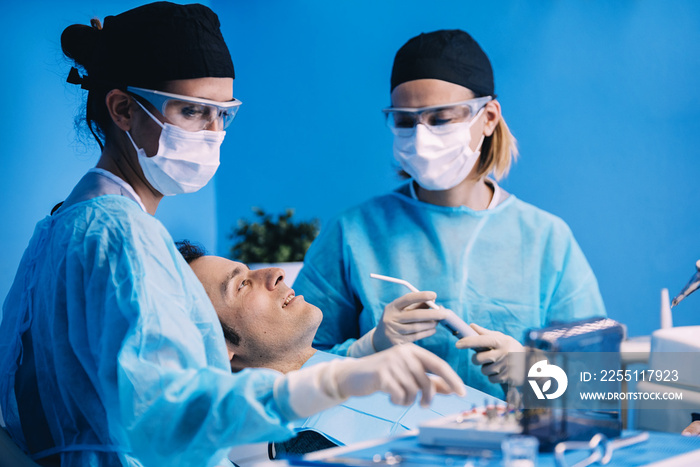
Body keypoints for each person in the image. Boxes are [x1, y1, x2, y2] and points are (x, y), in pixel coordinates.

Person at [0, 6, 464, 467]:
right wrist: (334, 383)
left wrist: (361, 353)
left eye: (224, 114)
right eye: (193, 111)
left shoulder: (64, 226)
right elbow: (169, 416)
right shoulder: (119, 235)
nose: (213, 133)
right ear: (122, 108)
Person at [293, 29, 607, 399]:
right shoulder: (353, 233)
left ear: (488, 117)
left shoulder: (546, 239)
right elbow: (292, 364)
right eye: (406, 122)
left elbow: (597, 382)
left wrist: (532, 371)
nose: (422, 139)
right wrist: (368, 348)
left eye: (441, 119)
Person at [176, 241, 501, 458]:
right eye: (242, 284)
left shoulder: (350, 366)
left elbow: (538, 430)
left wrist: (533, 374)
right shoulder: (306, 446)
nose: (275, 273)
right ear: (219, 348)